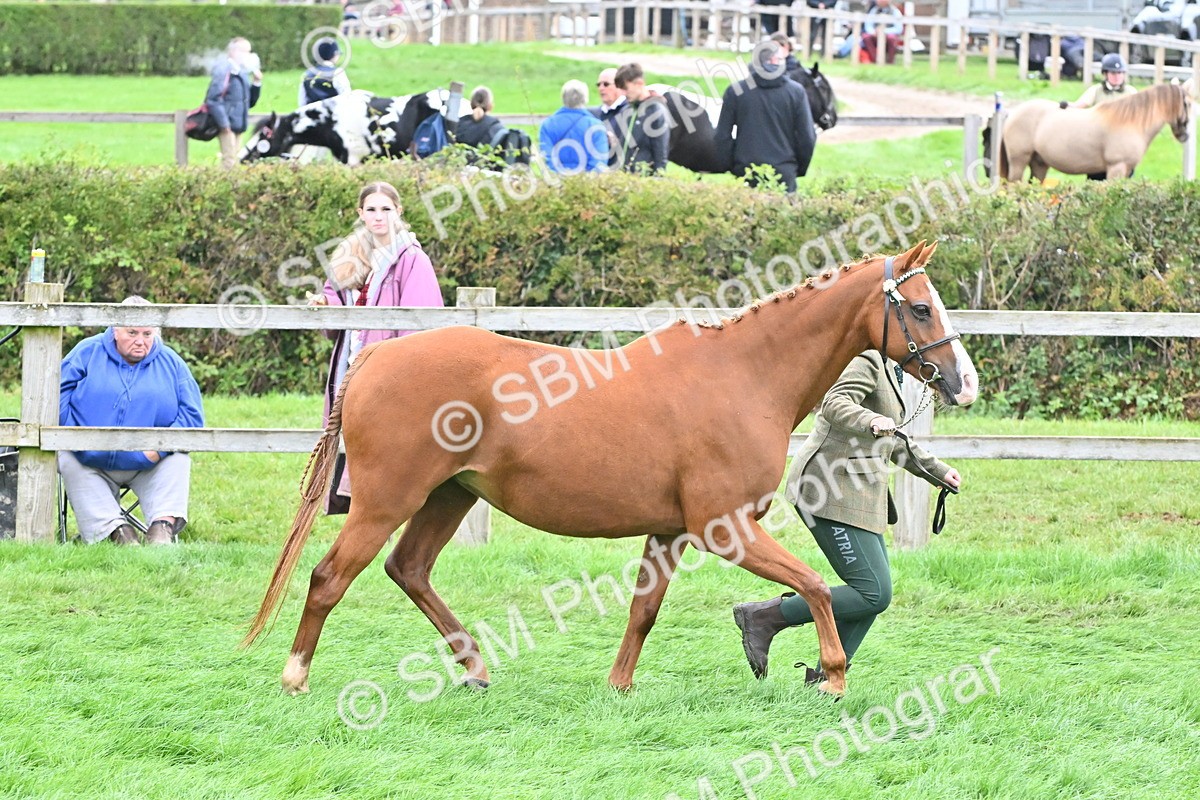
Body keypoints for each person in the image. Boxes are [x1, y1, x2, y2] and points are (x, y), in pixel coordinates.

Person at [732, 350, 961, 686]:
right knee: (873, 593)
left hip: (860, 495)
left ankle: (824, 679)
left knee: (873, 592)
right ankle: (764, 617)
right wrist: (869, 420)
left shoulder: (893, 371)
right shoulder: (867, 359)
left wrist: (939, 473)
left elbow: (892, 442)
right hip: (828, 489)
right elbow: (835, 403)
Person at [307, 181, 444, 514]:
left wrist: (403, 374)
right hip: (351, 361)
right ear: (361, 214)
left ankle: (382, 512)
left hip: (390, 369)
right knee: (353, 434)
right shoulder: (347, 255)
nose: (378, 216)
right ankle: (354, 507)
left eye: (386, 209)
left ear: (398, 212)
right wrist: (324, 304)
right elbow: (336, 304)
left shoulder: (412, 260)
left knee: (385, 441)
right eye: (371, 209)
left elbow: (421, 324)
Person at [58, 297, 205, 545]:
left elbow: (192, 416)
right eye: (132, 332)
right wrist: (78, 439)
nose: (140, 340)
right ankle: (117, 532)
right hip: (89, 460)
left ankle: (161, 530)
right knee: (65, 456)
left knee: (179, 459)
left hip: (147, 463)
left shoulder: (172, 363)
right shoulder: (86, 352)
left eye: (147, 333)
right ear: (115, 330)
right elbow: (55, 395)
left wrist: (156, 451)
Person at [714, 41, 815, 192]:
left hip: (747, 171)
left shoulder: (735, 91)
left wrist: (732, 166)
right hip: (783, 172)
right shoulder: (796, 92)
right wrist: (797, 168)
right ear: (775, 61)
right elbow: (807, 137)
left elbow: (722, 136)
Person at [1071, 53, 1137, 181]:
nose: (1117, 77)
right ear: (1105, 74)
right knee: (1096, 174)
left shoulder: (1131, 92)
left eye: (1120, 73)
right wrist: (1067, 106)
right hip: (1100, 139)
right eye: (1113, 73)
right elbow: (1080, 104)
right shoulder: (1096, 90)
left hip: (1122, 139)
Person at [207, 37, 262, 169]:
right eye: (244, 51)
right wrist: (224, 124)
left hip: (237, 124)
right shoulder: (224, 70)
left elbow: (249, 103)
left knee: (233, 160)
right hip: (227, 125)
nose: (248, 55)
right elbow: (213, 99)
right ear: (232, 52)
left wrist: (256, 83)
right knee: (229, 161)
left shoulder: (241, 72)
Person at [539, 79, 609, 174]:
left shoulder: (548, 125)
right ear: (585, 99)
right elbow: (600, 162)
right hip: (587, 185)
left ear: (563, 98)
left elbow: (547, 158)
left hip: (556, 183)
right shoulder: (595, 126)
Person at [612, 63, 670, 175]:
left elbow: (661, 156)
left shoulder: (656, 111)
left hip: (642, 182)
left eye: (625, 88)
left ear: (639, 83)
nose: (623, 94)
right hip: (623, 180)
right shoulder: (627, 110)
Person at [299, 38, 351, 108]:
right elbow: (346, 97)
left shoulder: (306, 74)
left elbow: (302, 102)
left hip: (312, 116)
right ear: (333, 55)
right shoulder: (337, 73)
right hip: (333, 115)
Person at [591, 68, 627, 168]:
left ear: (619, 86)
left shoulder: (630, 112)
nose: (601, 88)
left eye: (606, 84)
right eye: (599, 85)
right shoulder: (593, 114)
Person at [861, 0, 903, 65]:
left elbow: (898, 29)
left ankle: (890, 62)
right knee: (866, 37)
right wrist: (874, 32)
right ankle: (875, 59)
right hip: (875, 35)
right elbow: (868, 26)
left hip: (888, 35)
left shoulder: (895, 11)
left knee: (891, 38)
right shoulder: (874, 11)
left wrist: (883, 31)